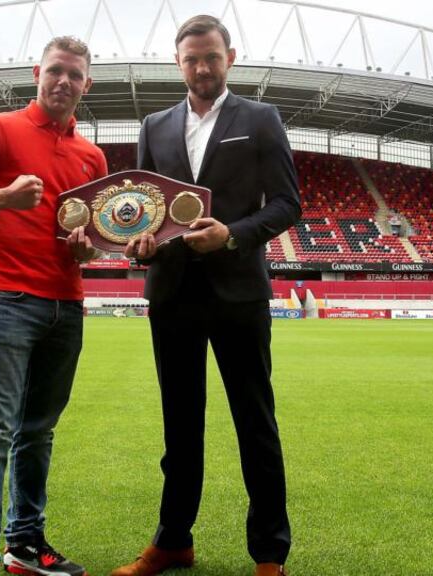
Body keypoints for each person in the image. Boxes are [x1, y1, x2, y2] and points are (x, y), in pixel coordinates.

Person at [111, 14, 301, 576]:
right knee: (180, 425)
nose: (201, 67)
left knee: (255, 422)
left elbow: (288, 203)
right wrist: (138, 245)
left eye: (211, 57)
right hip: (171, 292)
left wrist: (233, 235)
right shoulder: (155, 125)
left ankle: (269, 554)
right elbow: (143, 211)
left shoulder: (260, 118)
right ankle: (173, 541)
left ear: (230, 57)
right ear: (178, 62)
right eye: (192, 58)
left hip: (238, 290)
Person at [0, 36, 105, 576]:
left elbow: (93, 239)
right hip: (5, 300)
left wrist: (88, 248)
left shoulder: (92, 155)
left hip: (66, 305)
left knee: (38, 432)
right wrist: (2, 196)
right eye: (55, 71)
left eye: (74, 75)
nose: (63, 82)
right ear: (36, 73)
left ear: (86, 84)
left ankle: (25, 546)